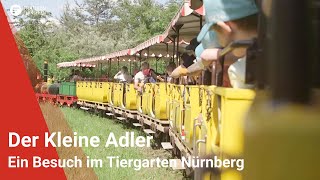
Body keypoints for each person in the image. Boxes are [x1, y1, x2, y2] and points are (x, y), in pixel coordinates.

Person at [196, 0, 258, 89]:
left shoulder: (239, 72)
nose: (220, 42)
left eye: (217, 34)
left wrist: (218, 55)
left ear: (224, 28)